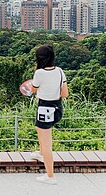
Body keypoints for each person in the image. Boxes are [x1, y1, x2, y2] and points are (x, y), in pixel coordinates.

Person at [30, 44, 68, 185]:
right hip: (57, 108)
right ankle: (41, 154)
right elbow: (65, 94)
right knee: (42, 134)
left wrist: (41, 92)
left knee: (47, 144)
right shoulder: (59, 71)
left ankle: (50, 176)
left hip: (45, 108)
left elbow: (33, 89)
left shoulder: (39, 73)